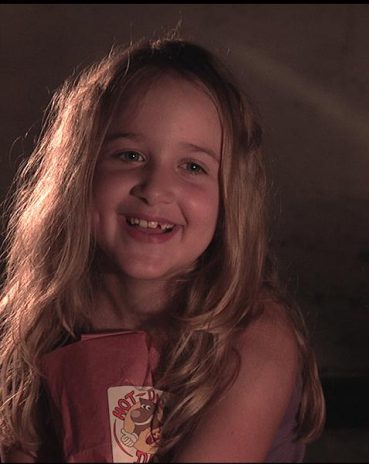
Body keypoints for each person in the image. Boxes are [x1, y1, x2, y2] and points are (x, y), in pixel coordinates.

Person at [0, 36, 324, 462]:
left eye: (193, 167)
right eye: (129, 155)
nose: (156, 189)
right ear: (78, 174)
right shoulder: (40, 319)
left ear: (231, 198)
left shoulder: (254, 337)